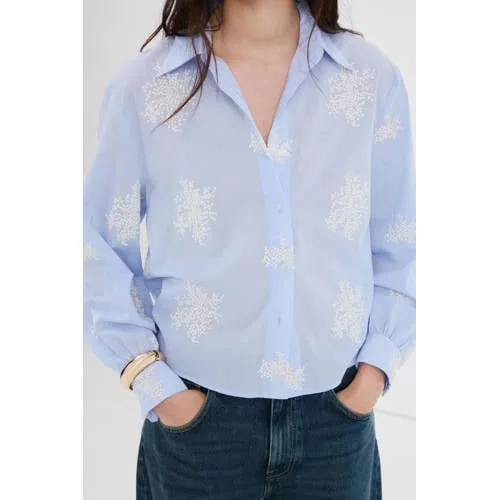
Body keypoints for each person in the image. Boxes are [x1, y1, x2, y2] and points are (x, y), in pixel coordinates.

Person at [83, 0, 416, 498]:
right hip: (197, 429)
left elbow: (400, 240)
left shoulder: (370, 79)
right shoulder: (144, 87)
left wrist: (370, 378)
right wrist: (154, 384)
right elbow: (97, 247)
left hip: (336, 424)